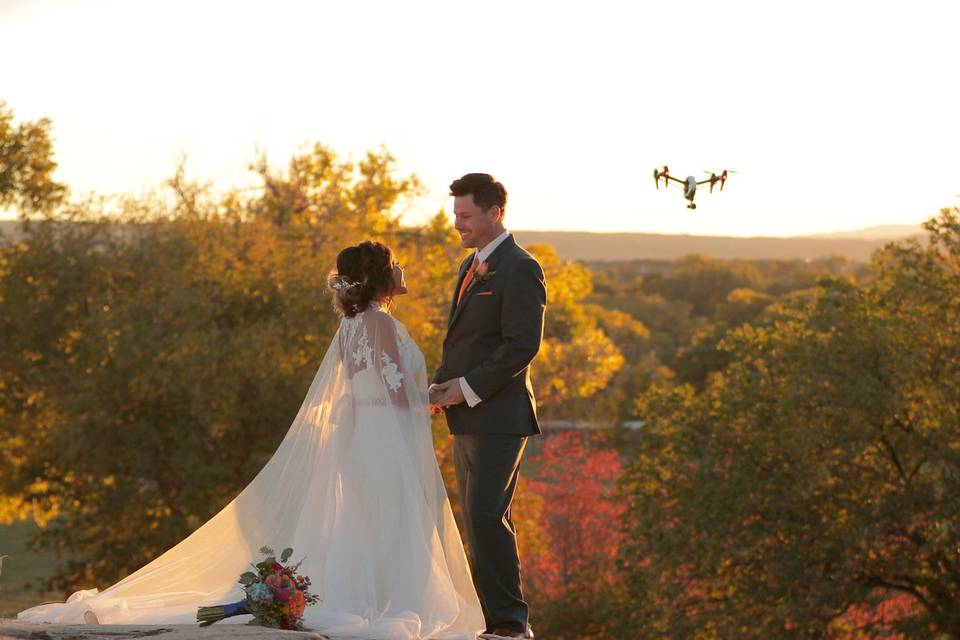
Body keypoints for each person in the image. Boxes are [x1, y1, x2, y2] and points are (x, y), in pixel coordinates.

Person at [18, 240, 485, 640]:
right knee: (392, 518)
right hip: (382, 437)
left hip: (363, 434)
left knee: (366, 519)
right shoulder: (381, 325)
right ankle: (388, 600)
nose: (403, 268)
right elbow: (396, 390)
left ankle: (370, 594)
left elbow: (358, 390)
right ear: (381, 276)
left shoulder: (348, 329)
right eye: (396, 262)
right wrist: (435, 395)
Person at [429, 174, 546, 640]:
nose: (458, 225)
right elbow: (464, 340)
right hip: (466, 415)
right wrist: (443, 386)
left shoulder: (521, 267)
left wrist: (468, 388)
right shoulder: (469, 265)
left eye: (466, 216)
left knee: (485, 517)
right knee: (478, 520)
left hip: (500, 416)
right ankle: (491, 618)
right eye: (456, 215)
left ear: (495, 212)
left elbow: (522, 346)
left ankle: (511, 625)